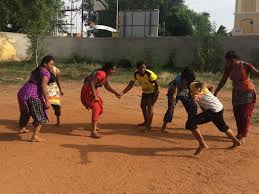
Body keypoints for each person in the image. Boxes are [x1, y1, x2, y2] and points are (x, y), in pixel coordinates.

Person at [214, 50, 259, 143]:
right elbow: (223, 81)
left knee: (245, 115)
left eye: (229, 61)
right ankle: (239, 133)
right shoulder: (228, 68)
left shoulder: (246, 65)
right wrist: (216, 92)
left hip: (248, 92)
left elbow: (257, 73)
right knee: (237, 114)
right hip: (236, 93)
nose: (228, 63)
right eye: (227, 61)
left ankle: (244, 136)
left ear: (233, 59)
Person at [186, 81, 241, 155]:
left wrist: (201, 93)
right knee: (223, 127)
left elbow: (203, 83)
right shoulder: (194, 93)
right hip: (218, 107)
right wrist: (209, 98)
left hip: (213, 110)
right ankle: (236, 141)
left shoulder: (192, 84)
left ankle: (202, 144)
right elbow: (211, 86)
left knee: (190, 123)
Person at [17, 55, 54, 142]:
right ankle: (35, 137)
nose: (52, 66)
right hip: (32, 94)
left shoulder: (37, 70)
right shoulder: (46, 73)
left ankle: (22, 128)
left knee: (25, 112)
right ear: (45, 64)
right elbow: (43, 86)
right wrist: (47, 100)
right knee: (41, 115)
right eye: (51, 64)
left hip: (23, 92)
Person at [81, 62, 120, 138]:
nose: (114, 71)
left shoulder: (105, 75)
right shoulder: (102, 74)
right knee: (97, 108)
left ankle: (94, 126)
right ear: (108, 69)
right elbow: (91, 82)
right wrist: (95, 96)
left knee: (100, 107)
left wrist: (115, 92)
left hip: (92, 90)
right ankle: (93, 131)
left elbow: (106, 86)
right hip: (88, 91)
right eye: (113, 69)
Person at [120, 60, 159, 131]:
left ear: (145, 67)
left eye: (144, 67)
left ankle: (148, 127)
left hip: (153, 92)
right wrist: (123, 92)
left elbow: (157, 84)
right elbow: (130, 84)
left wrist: (155, 95)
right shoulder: (136, 74)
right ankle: (146, 122)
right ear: (137, 68)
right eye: (140, 68)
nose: (142, 69)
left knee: (150, 107)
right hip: (145, 92)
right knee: (143, 106)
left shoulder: (149, 74)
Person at [161, 67, 197, 132]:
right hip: (173, 91)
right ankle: (164, 127)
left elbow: (191, 91)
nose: (187, 81)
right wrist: (173, 100)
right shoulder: (177, 79)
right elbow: (174, 92)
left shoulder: (191, 80)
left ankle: (190, 124)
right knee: (171, 108)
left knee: (192, 106)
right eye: (185, 79)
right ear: (183, 77)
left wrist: (192, 99)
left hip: (183, 93)